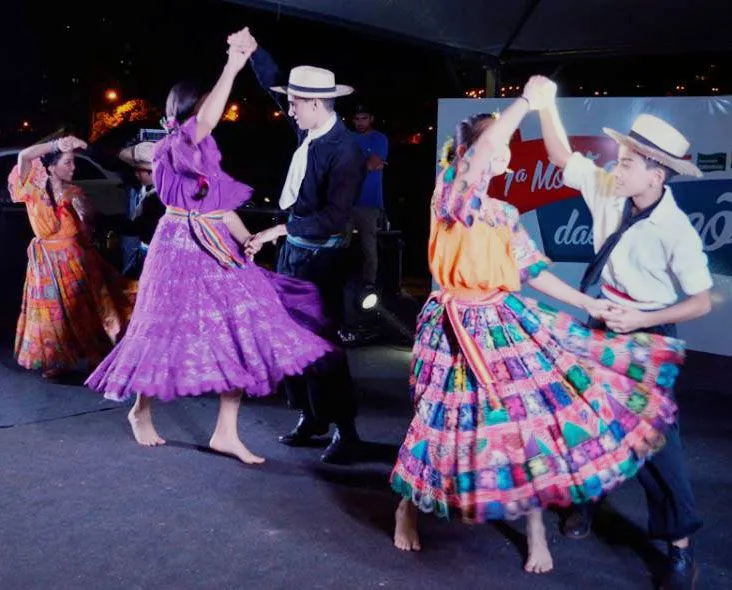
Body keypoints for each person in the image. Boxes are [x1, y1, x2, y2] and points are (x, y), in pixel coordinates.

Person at [389, 77, 686, 575]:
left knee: (525, 423)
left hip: (502, 322)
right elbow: (482, 153)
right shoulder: (450, 194)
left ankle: (536, 531)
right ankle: (407, 507)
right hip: (453, 329)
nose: (502, 149)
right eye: (496, 142)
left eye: (503, 143)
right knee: (441, 423)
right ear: (470, 152)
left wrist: (590, 305)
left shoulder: (503, 212)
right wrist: (524, 102)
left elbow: (533, 272)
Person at [85, 29, 337, 466]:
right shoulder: (176, 143)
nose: (214, 114)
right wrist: (233, 66)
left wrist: (248, 238)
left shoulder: (203, 150)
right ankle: (140, 408)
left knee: (240, 330)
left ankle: (226, 433)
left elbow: (218, 206)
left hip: (215, 243)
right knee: (162, 331)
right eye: (205, 107)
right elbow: (205, 121)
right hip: (176, 247)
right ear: (189, 111)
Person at [539, 88, 712, 589]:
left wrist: (639, 319)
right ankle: (586, 500)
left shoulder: (675, 229)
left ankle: (680, 549)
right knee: (586, 420)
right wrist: (546, 103)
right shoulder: (606, 186)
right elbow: (560, 155)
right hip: (603, 322)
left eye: (629, 163)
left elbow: (701, 302)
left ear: (656, 176)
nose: (617, 167)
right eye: (621, 157)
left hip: (647, 333)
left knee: (656, 442)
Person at [230, 28, 365, 465]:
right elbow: (274, 86)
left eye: (294, 104)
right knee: (289, 339)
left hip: (323, 260)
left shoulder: (345, 151)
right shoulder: (309, 127)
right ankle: (310, 417)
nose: (288, 109)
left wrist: (277, 231)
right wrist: (255, 51)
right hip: (296, 255)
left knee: (322, 344)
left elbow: (335, 217)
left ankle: (345, 430)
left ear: (315, 104)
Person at [8, 136, 136, 379]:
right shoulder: (32, 190)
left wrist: (85, 215)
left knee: (88, 310)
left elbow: (86, 228)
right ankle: (60, 360)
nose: (73, 168)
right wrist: (58, 144)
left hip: (76, 260)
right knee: (52, 314)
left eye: (73, 162)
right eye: (67, 163)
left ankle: (98, 358)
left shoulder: (74, 192)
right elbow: (25, 155)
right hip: (46, 263)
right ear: (50, 167)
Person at [351, 104, 389, 289]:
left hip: (369, 202)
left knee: (368, 246)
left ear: (371, 119)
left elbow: (373, 163)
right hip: (345, 202)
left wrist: (353, 166)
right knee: (339, 244)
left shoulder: (379, 138)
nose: (360, 122)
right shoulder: (348, 138)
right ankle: (341, 283)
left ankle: (369, 285)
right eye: (357, 119)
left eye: (364, 118)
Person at [117, 141, 165, 278]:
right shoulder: (152, 192)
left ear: (151, 172)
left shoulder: (157, 199)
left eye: (139, 171)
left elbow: (142, 227)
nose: (136, 174)